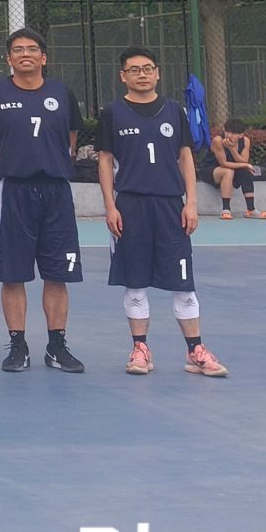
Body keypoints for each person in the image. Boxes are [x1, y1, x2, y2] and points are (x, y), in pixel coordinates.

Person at [96, 47, 228, 377]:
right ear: (123, 76)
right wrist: (110, 206)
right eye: (134, 69)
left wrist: (191, 202)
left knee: (183, 282)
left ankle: (195, 349)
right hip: (130, 206)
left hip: (171, 206)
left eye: (147, 68)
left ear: (157, 73)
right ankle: (140, 349)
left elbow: (185, 157)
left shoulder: (174, 111)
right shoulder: (113, 113)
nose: (142, 74)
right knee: (135, 282)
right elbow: (105, 161)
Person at [0, 28, 87, 374]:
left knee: (58, 273)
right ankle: (18, 345)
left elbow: (70, 137)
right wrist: (14, 163)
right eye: (18, 49)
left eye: (32, 49)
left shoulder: (62, 93)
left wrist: (49, 159)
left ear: (44, 57)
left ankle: (56, 346)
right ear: (9, 58)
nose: (26, 54)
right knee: (13, 273)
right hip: (15, 191)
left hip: (55, 191)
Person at [208, 118, 266, 221]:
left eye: (234, 133)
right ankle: (226, 209)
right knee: (228, 171)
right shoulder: (217, 140)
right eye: (227, 132)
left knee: (245, 170)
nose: (229, 135)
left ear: (241, 135)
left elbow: (243, 160)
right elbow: (223, 163)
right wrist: (245, 165)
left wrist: (232, 149)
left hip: (233, 169)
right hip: (213, 170)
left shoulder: (245, 141)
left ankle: (251, 209)